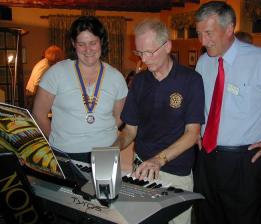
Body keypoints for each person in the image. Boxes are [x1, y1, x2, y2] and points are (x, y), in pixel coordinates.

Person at [193, 1, 261, 224]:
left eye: (209, 33)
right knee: (206, 218)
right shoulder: (204, 62)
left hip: (244, 160)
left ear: (229, 28)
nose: (203, 41)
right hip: (206, 158)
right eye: (199, 33)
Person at [114, 18, 205, 224]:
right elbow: (130, 130)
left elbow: (192, 134)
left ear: (168, 46)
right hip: (141, 169)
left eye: (149, 52)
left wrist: (159, 159)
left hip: (175, 172)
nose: (144, 59)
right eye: (139, 52)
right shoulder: (140, 81)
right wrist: (112, 148)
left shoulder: (191, 80)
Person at [32, 16, 128, 163]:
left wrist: (99, 131)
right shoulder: (56, 73)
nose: (88, 50)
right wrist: (59, 139)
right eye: (81, 44)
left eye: (93, 43)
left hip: (105, 153)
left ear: (101, 42)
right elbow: (39, 115)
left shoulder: (116, 77)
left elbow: (120, 116)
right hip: (64, 154)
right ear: (73, 44)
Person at [25, 45, 64, 109]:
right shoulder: (45, 66)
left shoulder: (46, 62)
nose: (60, 60)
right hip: (33, 95)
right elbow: (37, 85)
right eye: (59, 58)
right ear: (54, 57)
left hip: (33, 95)